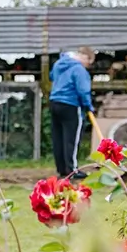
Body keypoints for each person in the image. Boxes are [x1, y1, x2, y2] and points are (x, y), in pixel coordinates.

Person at [49, 46, 95, 179]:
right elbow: (83, 90)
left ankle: (62, 169)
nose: (88, 66)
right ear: (85, 57)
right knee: (71, 138)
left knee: (58, 137)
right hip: (71, 104)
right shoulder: (79, 69)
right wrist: (88, 106)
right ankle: (72, 170)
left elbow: (52, 76)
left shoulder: (58, 64)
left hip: (55, 102)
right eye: (89, 62)